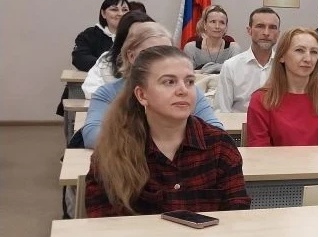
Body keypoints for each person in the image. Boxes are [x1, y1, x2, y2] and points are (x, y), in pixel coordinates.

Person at [84, 45, 250, 217]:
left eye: (189, 82)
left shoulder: (220, 145)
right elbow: (102, 222)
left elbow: (237, 216)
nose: (183, 90)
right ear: (142, 95)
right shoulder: (113, 150)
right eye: (169, 82)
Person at [82, 23, 222, 148]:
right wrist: (158, 145)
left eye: (167, 52)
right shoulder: (108, 93)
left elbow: (215, 131)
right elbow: (92, 135)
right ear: (131, 56)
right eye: (151, 54)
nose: (162, 60)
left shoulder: (188, 91)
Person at [246, 28, 318, 147]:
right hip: (277, 160)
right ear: (282, 56)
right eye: (299, 50)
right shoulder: (261, 99)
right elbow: (259, 150)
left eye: (314, 52)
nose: (308, 59)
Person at [216, 8, 281, 113]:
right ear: (249, 30)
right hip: (240, 123)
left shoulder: (285, 66)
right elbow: (222, 111)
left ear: (278, 33)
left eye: (272, 27)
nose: (266, 32)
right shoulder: (231, 66)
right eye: (260, 26)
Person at [82, 11, 154, 98]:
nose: (141, 40)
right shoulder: (107, 60)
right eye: (135, 36)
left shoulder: (164, 59)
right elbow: (91, 90)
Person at [71, 0, 129, 71]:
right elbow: (79, 57)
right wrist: (108, 67)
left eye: (125, 10)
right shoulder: (89, 35)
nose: (120, 14)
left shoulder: (136, 35)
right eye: (114, 9)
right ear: (103, 13)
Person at [183, 5, 241, 73]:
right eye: (213, 22)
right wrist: (222, 68)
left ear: (226, 27)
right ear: (205, 25)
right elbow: (187, 74)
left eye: (222, 22)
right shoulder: (191, 48)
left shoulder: (233, 48)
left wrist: (205, 69)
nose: (217, 26)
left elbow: (235, 71)